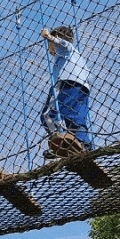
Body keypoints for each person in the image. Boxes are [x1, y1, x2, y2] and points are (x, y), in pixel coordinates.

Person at [40, 26, 93, 158]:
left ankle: (59, 141)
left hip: (66, 84)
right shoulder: (77, 55)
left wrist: (49, 37)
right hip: (83, 88)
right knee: (76, 118)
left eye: (49, 45)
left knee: (47, 115)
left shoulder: (64, 48)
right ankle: (83, 144)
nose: (48, 48)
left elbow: (63, 43)